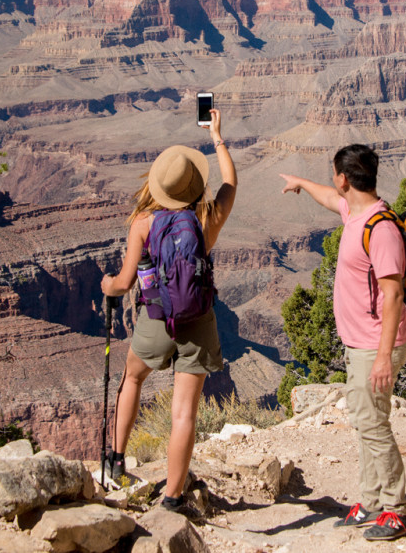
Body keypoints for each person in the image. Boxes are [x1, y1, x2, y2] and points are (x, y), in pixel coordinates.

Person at [100, 108, 236, 514]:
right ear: (194, 187)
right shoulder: (207, 216)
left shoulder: (144, 222)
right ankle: (173, 499)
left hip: (157, 319)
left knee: (132, 380)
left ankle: (116, 462)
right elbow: (230, 181)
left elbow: (124, 283)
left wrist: (107, 285)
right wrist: (216, 136)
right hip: (198, 321)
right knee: (183, 414)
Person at [279, 144, 406, 541]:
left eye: (332, 175)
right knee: (364, 421)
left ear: (344, 177)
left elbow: (393, 296)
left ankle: (398, 509)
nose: (331, 183)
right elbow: (328, 198)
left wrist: (384, 358)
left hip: (376, 346)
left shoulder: (381, 228)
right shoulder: (355, 212)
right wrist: (301, 183)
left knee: (373, 425)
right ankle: (371, 502)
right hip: (361, 345)